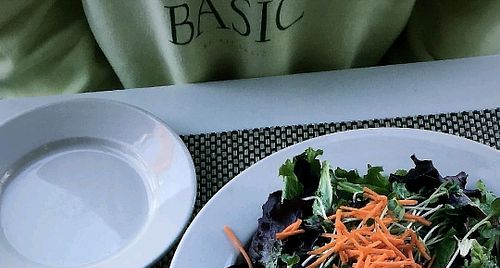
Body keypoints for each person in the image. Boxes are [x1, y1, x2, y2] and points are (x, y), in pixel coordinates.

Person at [1, 0, 499, 98]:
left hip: (383, 83)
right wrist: (100, 116)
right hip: (137, 106)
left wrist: (420, 100)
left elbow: (468, 25)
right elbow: (27, 39)